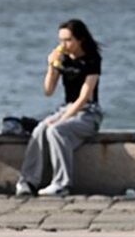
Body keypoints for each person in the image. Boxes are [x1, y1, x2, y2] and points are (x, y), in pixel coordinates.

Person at [16, 18, 103, 197]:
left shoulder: (92, 60)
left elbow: (84, 97)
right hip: (66, 108)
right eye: (61, 40)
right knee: (40, 129)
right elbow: (48, 91)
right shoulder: (63, 59)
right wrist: (51, 66)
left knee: (55, 130)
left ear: (80, 40)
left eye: (68, 40)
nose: (64, 44)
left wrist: (62, 120)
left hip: (88, 112)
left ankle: (62, 183)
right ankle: (28, 181)